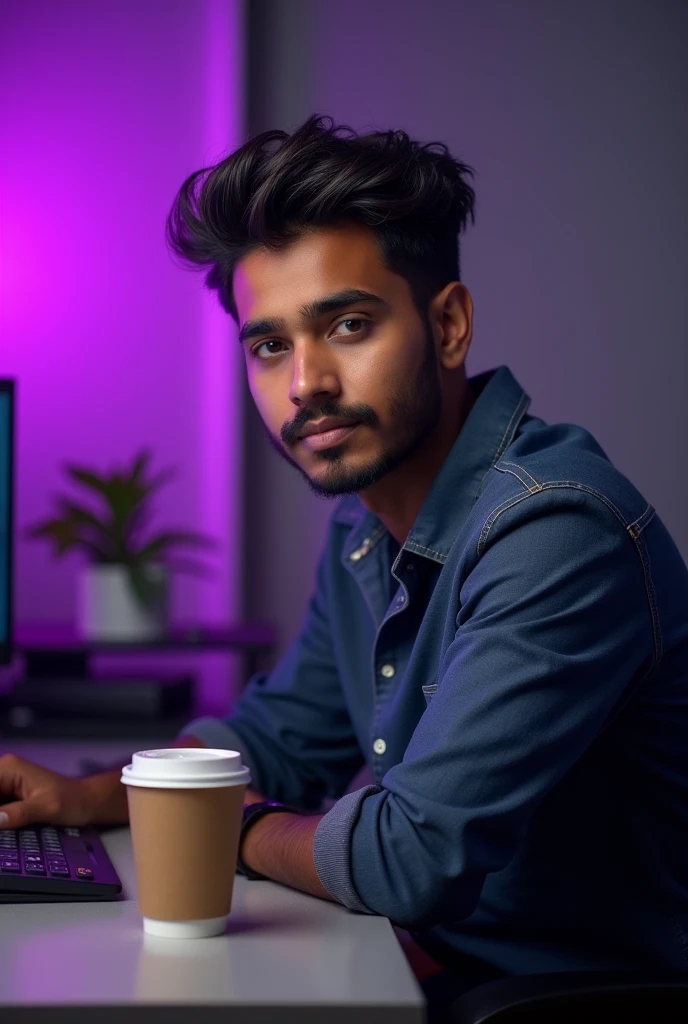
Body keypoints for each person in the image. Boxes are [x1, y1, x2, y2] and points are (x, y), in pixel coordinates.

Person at [2, 115, 688, 1014]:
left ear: (447, 326)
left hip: (563, 1000)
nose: (305, 384)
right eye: (270, 344)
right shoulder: (369, 524)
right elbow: (283, 739)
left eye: (349, 324)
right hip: (436, 969)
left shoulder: (557, 529)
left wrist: (228, 827)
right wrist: (87, 795)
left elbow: (409, 859)